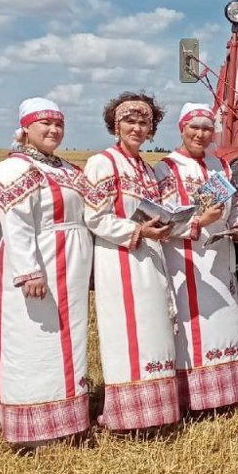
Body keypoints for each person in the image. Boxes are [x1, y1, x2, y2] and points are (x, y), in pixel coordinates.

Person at [0, 98, 92, 445]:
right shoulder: (14, 170)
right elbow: (16, 225)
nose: (53, 130)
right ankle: (33, 429)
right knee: (34, 341)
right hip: (39, 263)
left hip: (70, 267)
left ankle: (67, 420)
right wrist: (30, 271)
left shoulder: (66, 169)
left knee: (69, 340)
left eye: (58, 123)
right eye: (44, 123)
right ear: (25, 129)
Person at [84, 92, 180, 431]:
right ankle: (125, 417)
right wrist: (138, 230)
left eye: (144, 122)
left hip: (151, 258)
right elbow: (95, 217)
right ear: (115, 124)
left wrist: (168, 225)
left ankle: (155, 414)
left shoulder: (147, 169)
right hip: (120, 258)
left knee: (153, 331)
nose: (137, 127)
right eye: (130, 121)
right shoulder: (103, 163)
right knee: (126, 334)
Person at [155, 103, 238, 412]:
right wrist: (200, 222)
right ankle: (194, 399)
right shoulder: (165, 169)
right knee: (193, 326)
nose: (200, 133)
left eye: (207, 128)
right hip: (186, 261)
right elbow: (163, 221)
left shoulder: (220, 166)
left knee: (226, 324)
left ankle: (225, 397)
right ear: (182, 128)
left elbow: (233, 210)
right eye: (194, 127)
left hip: (220, 257)